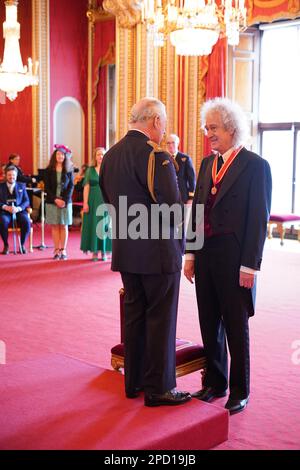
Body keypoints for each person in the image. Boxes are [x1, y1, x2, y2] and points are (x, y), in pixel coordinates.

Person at [100, 97, 191, 407]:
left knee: (135, 318)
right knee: (161, 321)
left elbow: (110, 201)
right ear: (154, 122)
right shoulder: (157, 156)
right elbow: (173, 210)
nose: (163, 130)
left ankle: (133, 382)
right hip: (158, 252)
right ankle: (159, 388)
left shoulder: (110, 156)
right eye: (162, 123)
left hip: (126, 250)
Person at [184, 97, 272, 415]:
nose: (209, 133)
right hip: (206, 256)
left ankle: (239, 390)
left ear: (232, 128)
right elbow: (197, 212)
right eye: (207, 128)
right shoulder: (207, 163)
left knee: (236, 326)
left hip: (236, 260)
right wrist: (191, 254)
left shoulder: (256, 166)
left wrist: (250, 265)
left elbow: (257, 220)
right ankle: (216, 383)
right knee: (208, 321)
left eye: (214, 128)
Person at [80, 148, 112, 261]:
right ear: (95, 157)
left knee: (104, 226)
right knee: (93, 226)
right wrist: (85, 203)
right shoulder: (90, 170)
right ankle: (94, 251)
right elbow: (86, 188)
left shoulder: (109, 169)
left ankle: (104, 252)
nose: (101, 157)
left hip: (105, 201)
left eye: (103, 154)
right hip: (92, 201)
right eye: (98, 155)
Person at [44, 144, 74, 260]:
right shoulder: (48, 170)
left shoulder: (69, 169)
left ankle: (63, 250)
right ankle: (56, 250)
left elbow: (71, 186)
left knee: (64, 225)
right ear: (54, 156)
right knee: (55, 226)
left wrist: (64, 200)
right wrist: (55, 199)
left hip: (66, 202)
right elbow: (46, 188)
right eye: (58, 154)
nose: (60, 156)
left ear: (65, 156)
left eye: (62, 154)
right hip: (52, 201)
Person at [0, 165, 31, 254]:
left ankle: (22, 244)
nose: (11, 177)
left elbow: (26, 201)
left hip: (19, 211)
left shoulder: (22, 186)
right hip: (5, 211)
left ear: (16, 175)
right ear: (5, 175)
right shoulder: (0, 186)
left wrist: (18, 208)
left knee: (26, 222)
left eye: (13, 175)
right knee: (2, 221)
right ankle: (6, 245)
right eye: (9, 175)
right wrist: (6, 207)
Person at [166, 133, 196, 203]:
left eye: (173, 143)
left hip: (182, 197)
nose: (170, 145)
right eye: (168, 143)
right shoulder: (163, 158)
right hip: (167, 197)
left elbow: (192, 179)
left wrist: (191, 198)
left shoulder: (185, 159)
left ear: (178, 143)